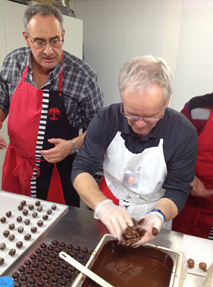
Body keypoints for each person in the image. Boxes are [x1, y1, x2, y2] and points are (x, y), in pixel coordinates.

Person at [71, 55, 198, 246]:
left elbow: (178, 190)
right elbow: (81, 170)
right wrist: (104, 206)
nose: (139, 124)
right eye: (131, 113)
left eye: (150, 116)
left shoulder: (183, 133)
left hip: (154, 210)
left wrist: (158, 216)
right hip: (108, 205)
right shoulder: (106, 120)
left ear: (167, 100)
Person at [0, 4, 103, 207]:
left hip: (59, 172)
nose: (48, 51)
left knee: (56, 233)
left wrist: (72, 145)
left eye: (55, 41)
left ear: (63, 34)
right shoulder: (13, 62)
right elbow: (2, 101)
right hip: (16, 166)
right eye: (39, 42)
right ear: (26, 37)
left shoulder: (83, 76)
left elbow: (99, 130)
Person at [172, 94, 213, 240]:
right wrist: (188, 177)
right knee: (187, 256)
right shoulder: (196, 109)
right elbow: (172, 149)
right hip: (191, 206)